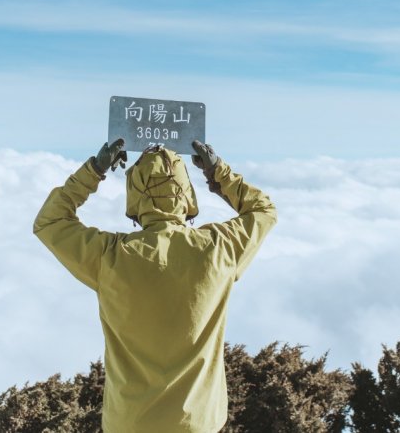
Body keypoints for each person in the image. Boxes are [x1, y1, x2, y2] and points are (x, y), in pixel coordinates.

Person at [33, 138, 277, 433]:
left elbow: (50, 221)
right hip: (197, 423)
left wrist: (95, 169)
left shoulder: (109, 256)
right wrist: (218, 173)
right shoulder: (220, 248)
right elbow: (263, 211)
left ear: (134, 198)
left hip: (129, 424)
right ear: (187, 196)